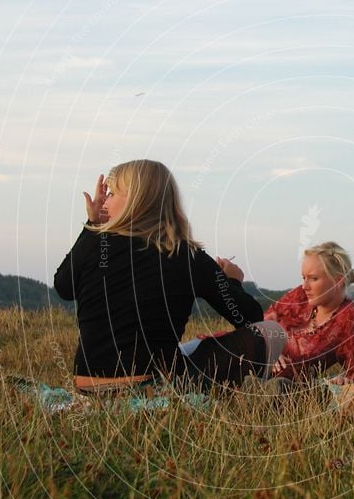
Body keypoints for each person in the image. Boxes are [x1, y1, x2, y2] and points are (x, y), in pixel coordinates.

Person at [53, 159, 284, 393]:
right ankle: (254, 390)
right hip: (151, 386)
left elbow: (64, 287)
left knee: (180, 350)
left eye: (111, 194)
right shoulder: (186, 255)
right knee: (272, 332)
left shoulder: (95, 245)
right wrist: (233, 281)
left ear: (136, 200)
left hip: (88, 388)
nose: (104, 201)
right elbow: (248, 318)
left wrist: (92, 226)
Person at [263, 242, 354, 384]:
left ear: (338, 281)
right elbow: (260, 325)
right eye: (303, 277)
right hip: (253, 360)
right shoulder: (299, 296)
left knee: (278, 386)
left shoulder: (350, 320)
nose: (305, 286)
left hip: (287, 387)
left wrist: (342, 382)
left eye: (313, 278)